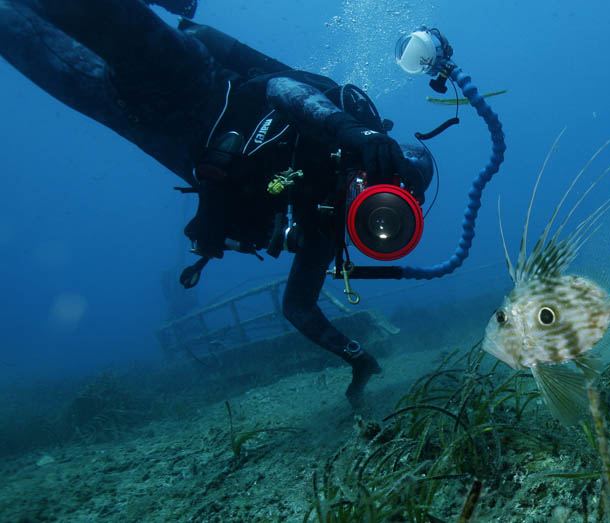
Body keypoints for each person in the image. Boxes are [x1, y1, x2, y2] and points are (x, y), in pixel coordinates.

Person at [0, 0, 433, 408]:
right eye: (389, 174)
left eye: (399, 197)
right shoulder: (348, 127)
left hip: (156, 133)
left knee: (17, 34)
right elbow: (282, 87)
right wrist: (357, 132)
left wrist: (356, 356)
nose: (380, 191)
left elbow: (297, 306)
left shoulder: (322, 229)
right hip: (198, 82)